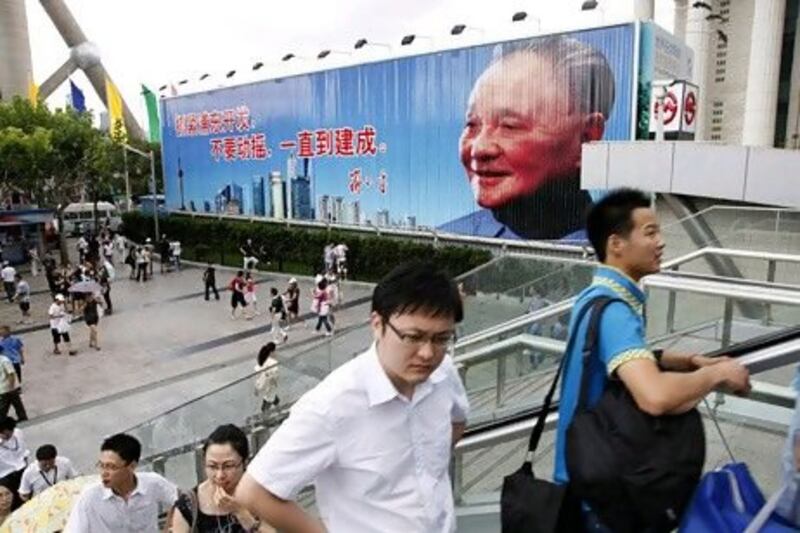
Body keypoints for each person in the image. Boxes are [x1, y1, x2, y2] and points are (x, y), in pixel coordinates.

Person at [553, 189, 751, 529]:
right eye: (650, 232)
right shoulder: (616, 312)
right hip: (602, 498)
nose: (661, 242)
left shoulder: (593, 297)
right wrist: (719, 375)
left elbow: (609, 362)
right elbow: (655, 397)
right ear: (616, 244)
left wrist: (684, 361)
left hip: (581, 475)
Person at [236, 261, 469, 532]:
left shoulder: (443, 373)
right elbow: (254, 491)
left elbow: (457, 420)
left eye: (441, 339)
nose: (428, 353)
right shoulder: (333, 404)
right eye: (413, 337)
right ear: (378, 324)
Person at [438, 36, 614, 240]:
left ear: (586, 139)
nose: (479, 148)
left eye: (509, 126)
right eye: (472, 124)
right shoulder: (448, 242)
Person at [169, 425, 273, 533]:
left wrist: (241, 513)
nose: (220, 475)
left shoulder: (261, 496)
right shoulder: (189, 504)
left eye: (228, 466)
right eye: (212, 466)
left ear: (244, 462)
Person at [65, 433, 177, 533]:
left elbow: (183, 502)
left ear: (132, 466)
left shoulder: (153, 483)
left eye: (111, 467)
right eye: (101, 465)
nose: (104, 473)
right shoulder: (90, 497)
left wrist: (169, 527)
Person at [0, 417, 30, 510]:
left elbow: (24, 450)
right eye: (4, 434)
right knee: (13, 503)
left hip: (22, 469)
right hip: (6, 476)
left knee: (27, 497)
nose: (7, 436)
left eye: (9, 433)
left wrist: (25, 464)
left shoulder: (18, 433)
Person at [0, 350, 26, 421]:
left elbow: (11, 374)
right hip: (5, 389)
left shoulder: (4, 360)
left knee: (2, 409)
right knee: (17, 404)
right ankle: (23, 418)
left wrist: (11, 387)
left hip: (7, 389)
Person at [254, 343, 279, 414]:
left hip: (265, 387)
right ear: (271, 352)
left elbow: (258, 375)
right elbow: (274, 376)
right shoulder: (272, 362)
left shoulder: (262, 360)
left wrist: (256, 387)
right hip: (269, 387)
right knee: (265, 408)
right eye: (275, 351)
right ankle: (266, 420)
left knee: (273, 399)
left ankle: (279, 412)